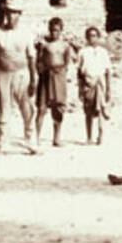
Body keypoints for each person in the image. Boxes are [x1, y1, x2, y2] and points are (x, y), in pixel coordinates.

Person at [0, 2, 35, 149]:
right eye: (9, 12)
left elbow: (31, 57)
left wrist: (33, 79)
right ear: (5, 14)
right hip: (3, 74)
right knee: (4, 107)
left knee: (26, 106)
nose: (12, 16)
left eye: (15, 13)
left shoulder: (26, 33)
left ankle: (30, 138)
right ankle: (2, 140)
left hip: (22, 74)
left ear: (20, 14)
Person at [35, 17, 74, 147]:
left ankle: (56, 138)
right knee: (41, 108)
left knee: (58, 107)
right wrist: (42, 70)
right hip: (46, 76)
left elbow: (66, 62)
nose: (54, 33)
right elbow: (38, 61)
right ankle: (37, 137)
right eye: (52, 30)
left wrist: (60, 72)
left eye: (57, 30)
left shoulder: (65, 46)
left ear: (61, 30)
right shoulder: (44, 45)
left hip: (59, 77)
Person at [77, 26, 113, 145]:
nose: (92, 38)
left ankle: (100, 135)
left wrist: (108, 88)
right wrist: (80, 88)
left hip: (100, 82)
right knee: (88, 111)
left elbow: (108, 71)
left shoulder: (103, 52)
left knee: (101, 108)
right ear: (87, 38)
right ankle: (89, 136)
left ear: (98, 37)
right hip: (88, 83)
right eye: (90, 36)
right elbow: (79, 72)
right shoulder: (83, 52)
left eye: (94, 36)